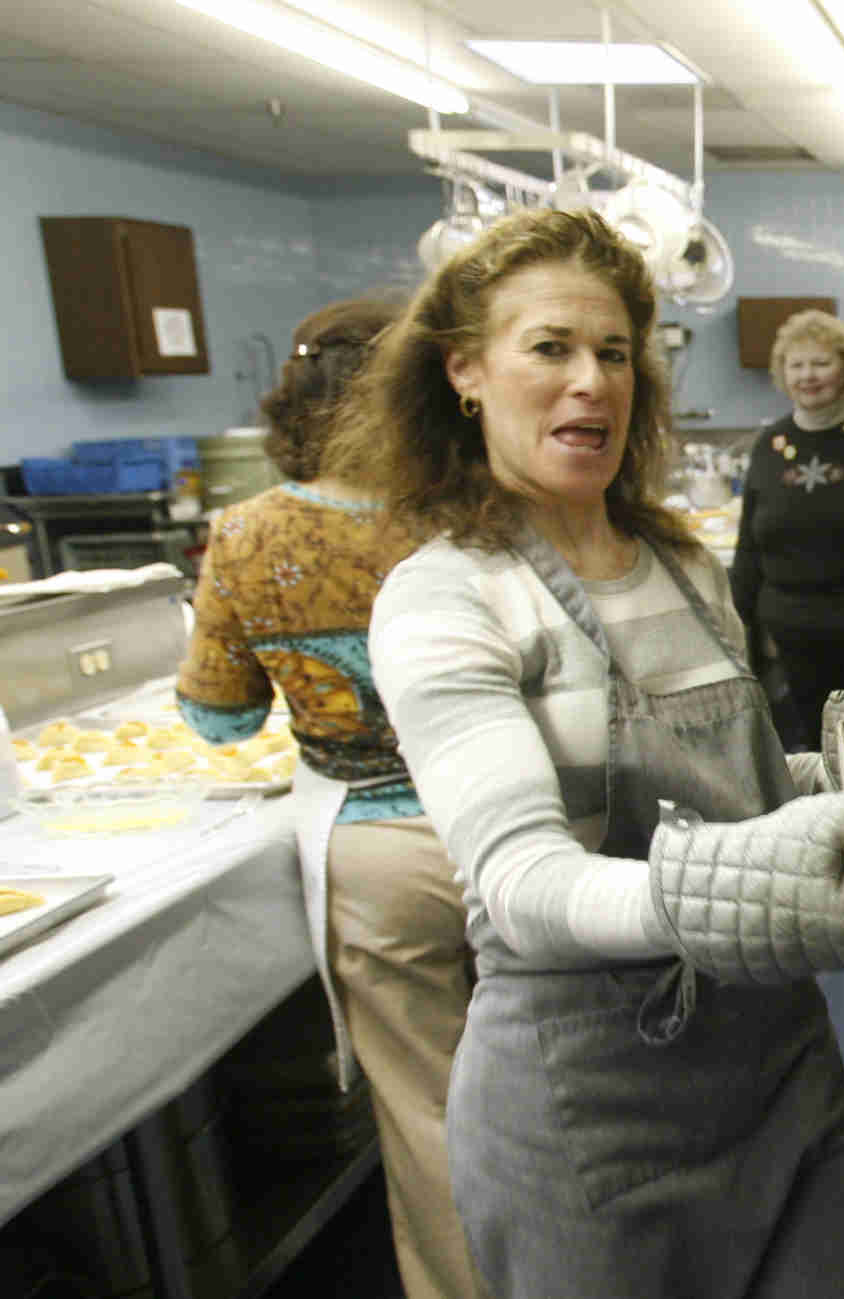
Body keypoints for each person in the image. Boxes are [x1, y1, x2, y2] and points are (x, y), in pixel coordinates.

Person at [330, 207, 844, 1298]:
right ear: (466, 371)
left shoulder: (680, 563)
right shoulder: (445, 596)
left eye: (615, 353)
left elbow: (740, 795)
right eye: (551, 349)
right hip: (594, 1119)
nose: (593, 383)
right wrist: (717, 896)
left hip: (781, 1076)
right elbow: (522, 881)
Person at [175, 297, 488, 1299]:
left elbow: (220, 721)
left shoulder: (248, 537)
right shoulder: (475, 515)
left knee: (428, 1107)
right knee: (557, 1085)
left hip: (375, 849)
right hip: (509, 824)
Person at [730, 309, 844, 752]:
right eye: (796, 365)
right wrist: (739, 632)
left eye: (820, 363)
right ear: (782, 374)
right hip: (793, 644)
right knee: (813, 752)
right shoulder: (769, 445)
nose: (807, 376)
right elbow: (749, 549)